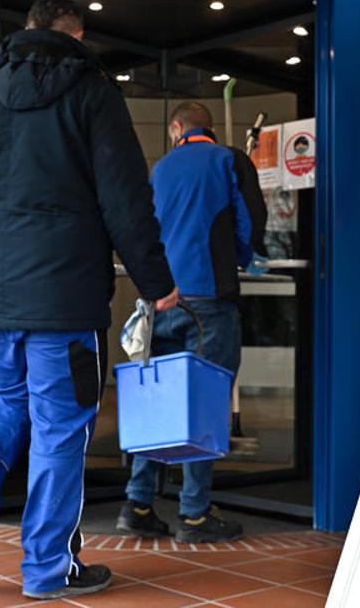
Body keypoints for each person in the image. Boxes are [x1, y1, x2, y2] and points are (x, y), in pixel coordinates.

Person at [0, 0, 178, 600]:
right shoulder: (91, 92)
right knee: (59, 429)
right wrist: (157, 282)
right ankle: (47, 568)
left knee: (4, 404)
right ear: (74, 35)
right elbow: (126, 201)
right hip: (64, 300)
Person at [117, 101, 266, 543]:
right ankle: (195, 514)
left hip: (163, 299)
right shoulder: (228, 160)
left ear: (176, 128)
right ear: (210, 128)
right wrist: (239, 259)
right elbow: (250, 221)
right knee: (205, 403)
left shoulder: (160, 168)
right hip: (209, 300)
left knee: (158, 401)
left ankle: (139, 502)